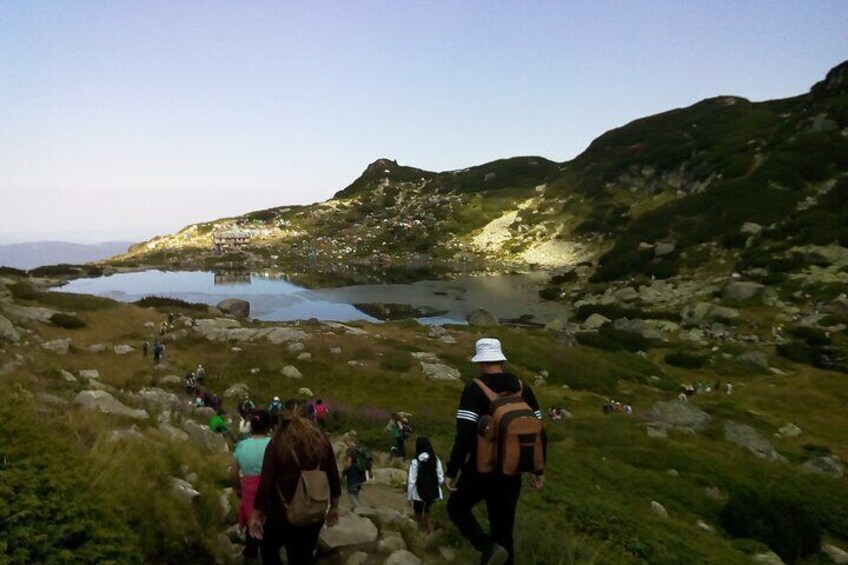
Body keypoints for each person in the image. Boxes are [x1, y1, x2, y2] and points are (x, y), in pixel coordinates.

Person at [445, 338, 545, 565]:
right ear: (501, 360)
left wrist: (452, 470)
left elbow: (465, 435)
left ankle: (487, 548)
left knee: (457, 508)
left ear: (481, 363)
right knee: (504, 530)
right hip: (514, 470)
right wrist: (538, 470)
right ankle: (497, 552)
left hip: (481, 469)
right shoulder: (523, 388)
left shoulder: (475, 389)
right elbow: (539, 432)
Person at [251, 401, 341, 565]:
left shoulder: (277, 444)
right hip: (314, 512)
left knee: (268, 548)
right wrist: (334, 508)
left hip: (282, 513)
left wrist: (256, 516)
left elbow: (266, 483)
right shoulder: (322, 441)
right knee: (303, 556)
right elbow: (334, 477)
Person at [232, 409, 273, 561]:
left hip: (248, 491)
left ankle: (250, 553)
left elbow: (234, 471)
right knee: (268, 522)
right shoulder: (272, 443)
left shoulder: (241, 446)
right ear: (269, 427)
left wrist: (237, 488)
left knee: (252, 522)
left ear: (251, 426)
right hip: (269, 489)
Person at [407, 436, 444, 533]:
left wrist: (409, 497)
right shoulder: (435, 459)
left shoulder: (415, 461)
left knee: (418, 514)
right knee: (430, 514)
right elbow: (440, 478)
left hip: (418, 493)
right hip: (433, 491)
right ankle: (431, 533)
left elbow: (411, 481)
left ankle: (418, 533)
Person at [342, 431, 372, 509]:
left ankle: (357, 509)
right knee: (356, 492)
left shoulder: (350, 450)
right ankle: (358, 508)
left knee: (350, 492)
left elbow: (349, 463)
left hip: (353, 474)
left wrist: (343, 469)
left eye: (345, 441)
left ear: (347, 440)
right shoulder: (359, 448)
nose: (345, 444)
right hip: (361, 474)